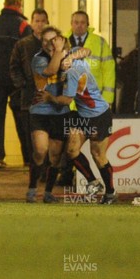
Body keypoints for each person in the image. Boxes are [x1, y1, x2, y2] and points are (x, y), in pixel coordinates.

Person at [38, 37, 117, 204]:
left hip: (98, 115)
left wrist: (49, 98)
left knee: (98, 155)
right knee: (72, 150)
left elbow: (67, 100)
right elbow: (86, 50)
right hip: (82, 115)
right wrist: (71, 57)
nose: (51, 55)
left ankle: (110, 193)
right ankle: (93, 183)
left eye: (54, 51)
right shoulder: (70, 59)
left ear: (63, 52)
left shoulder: (72, 71)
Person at [26, 27, 96, 203]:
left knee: (56, 156)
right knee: (40, 151)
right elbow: (50, 71)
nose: (49, 44)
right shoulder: (38, 59)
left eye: (53, 40)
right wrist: (59, 52)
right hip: (40, 110)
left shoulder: (67, 52)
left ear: (60, 40)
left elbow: (87, 51)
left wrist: (73, 55)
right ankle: (32, 188)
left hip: (60, 112)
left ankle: (48, 192)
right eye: (45, 41)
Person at [0, 0, 32, 168]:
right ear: (19, 4)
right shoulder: (23, 26)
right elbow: (28, 54)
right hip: (16, 80)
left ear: (5, 4)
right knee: (22, 118)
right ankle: (28, 158)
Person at [9, 8, 49, 166]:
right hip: (29, 99)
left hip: (50, 100)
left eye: (42, 21)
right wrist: (23, 84)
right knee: (30, 137)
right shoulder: (23, 44)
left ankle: (46, 170)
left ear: (47, 23)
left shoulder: (54, 44)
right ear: (31, 24)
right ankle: (34, 169)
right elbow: (14, 67)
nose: (39, 24)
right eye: (36, 21)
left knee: (48, 138)